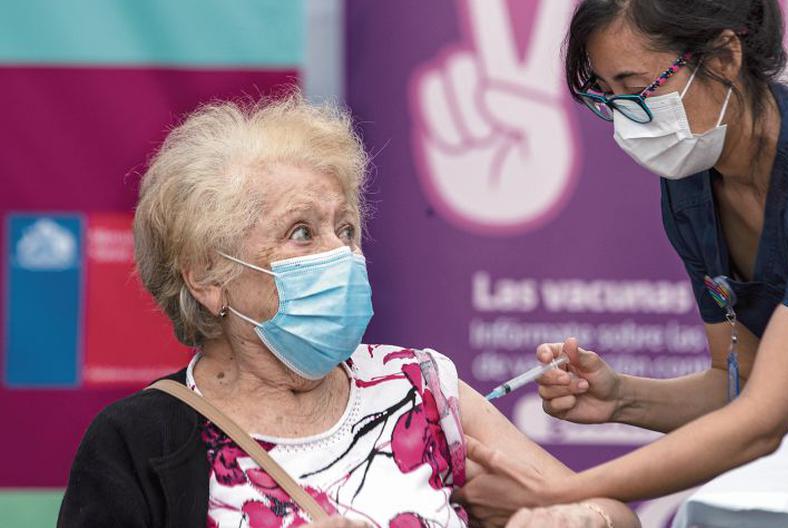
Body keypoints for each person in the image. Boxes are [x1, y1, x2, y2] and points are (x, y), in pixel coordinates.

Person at [457, 0, 788, 526]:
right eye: (608, 95)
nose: (625, 117)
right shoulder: (691, 185)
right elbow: (741, 384)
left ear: (725, 56)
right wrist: (622, 400)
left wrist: (557, 497)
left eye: (637, 87)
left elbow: (762, 422)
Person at [57, 91, 640, 528]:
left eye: (346, 228)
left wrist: (581, 520)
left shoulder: (421, 387)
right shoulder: (139, 440)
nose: (341, 254)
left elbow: (616, 512)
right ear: (209, 278)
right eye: (302, 232)